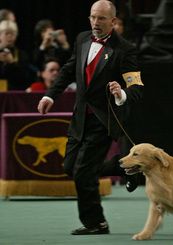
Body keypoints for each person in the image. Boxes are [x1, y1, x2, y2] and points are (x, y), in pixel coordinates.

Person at [37, 0, 144, 235]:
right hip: (79, 117)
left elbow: (136, 87)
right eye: (93, 17)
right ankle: (121, 166)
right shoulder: (83, 38)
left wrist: (122, 93)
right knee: (70, 167)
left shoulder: (125, 49)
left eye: (102, 18)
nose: (96, 23)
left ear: (113, 21)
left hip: (104, 119)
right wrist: (50, 96)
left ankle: (96, 223)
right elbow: (68, 69)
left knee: (84, 173)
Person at [0, 20, 36, 90]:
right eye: (6, 33)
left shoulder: (21, 54)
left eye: (13, 34)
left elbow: (25, 78)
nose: (10, 36)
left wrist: (12, 63)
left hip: (15, 94)